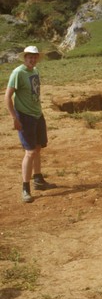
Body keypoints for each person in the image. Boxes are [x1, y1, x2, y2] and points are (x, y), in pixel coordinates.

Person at [5, 46, 56, 203]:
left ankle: (38, 179)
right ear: (24, 57)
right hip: (25, 117)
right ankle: (25, 188)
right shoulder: (18, 73)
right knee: (30, 152)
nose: (32, 60)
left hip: (37, 114)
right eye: (29, 57)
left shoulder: (35, 71)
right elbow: (7, 97)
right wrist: (15, 118)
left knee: (38, 147)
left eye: (35, 57)